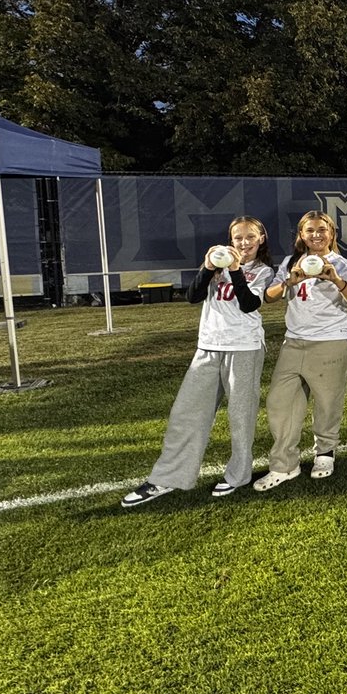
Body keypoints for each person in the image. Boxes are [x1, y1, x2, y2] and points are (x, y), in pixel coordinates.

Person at [121, 217, 274, 506]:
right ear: (231, 239)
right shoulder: (217, 262)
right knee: (186, 413)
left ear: (261, 239)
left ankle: (238, 475)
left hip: (244, 348)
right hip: (208, 347)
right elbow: (192, 297)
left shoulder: (263, 271)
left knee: (240, 417)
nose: (244, 243)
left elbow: (249, 304)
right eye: (238, 238)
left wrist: (235, 270)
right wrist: (208, 267)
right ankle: (166, 479)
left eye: (250, 237)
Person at [255, 211, 347, 491]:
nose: (316, 235)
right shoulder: (292, 262)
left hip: (330, 340)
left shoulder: (340, 263)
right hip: (294, 342)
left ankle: (325, 453)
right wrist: (289, 281)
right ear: (301, 235)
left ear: (332, 234)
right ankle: (285, 465)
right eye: (310, 231)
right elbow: (269, 297)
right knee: (280, 403)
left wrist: (336, 280)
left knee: (327, 404)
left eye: (322, 230)